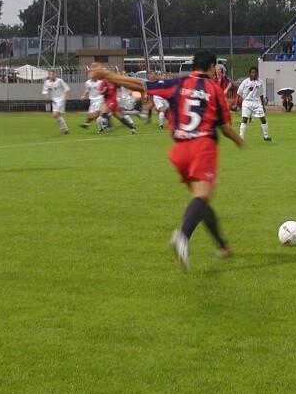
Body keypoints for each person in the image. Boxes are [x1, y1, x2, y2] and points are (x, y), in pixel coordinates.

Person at [91, 50, 243, 269]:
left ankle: (222, 245)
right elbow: (225, 126)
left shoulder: (179, 83)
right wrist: (240, 141)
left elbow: (140, 85)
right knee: (202, 196)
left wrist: (107, 75)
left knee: (200, 200)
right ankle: (182, 236)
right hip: (202, 146)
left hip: (179, 150)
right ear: (212, 67)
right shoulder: (214, 89)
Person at [236, 66, 271, 141]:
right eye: (252, 72)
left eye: (255, 72)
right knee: (244, 119)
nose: (254, 74)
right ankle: (241, 137)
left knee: (263, 119)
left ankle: (266, 136)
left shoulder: (260, 82)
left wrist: (263, 106)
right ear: (249, 74)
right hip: (247, 102)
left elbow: (261, 94)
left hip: (257, 103)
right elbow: (239, 93)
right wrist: (236, 104)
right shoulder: (245, 82)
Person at [42, 69, 70, 134]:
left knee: (55, 114)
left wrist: (65, 97)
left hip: (61, 99)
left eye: (52, 74)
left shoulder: (60, 81)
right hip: (54, 100)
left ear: (55, 74)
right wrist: (46, 95)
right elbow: (45, 90)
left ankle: (64, 129)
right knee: (56, 116)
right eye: (50, 74)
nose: (51, 75)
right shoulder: (47, 82)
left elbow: (66, 88)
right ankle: (65, 129)